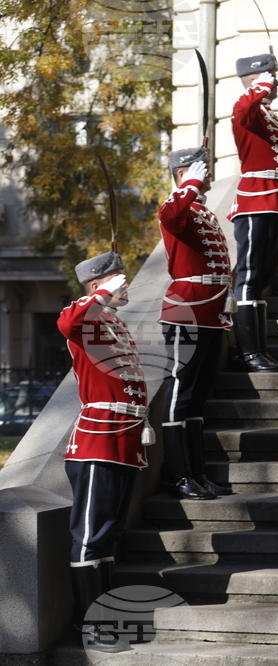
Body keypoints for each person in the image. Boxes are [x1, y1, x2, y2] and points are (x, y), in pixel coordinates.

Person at [58, 252, 151, 652]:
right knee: (90, 535)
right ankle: (89, 626)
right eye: (117, 281)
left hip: (125, 437)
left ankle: (105, 618)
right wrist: (100, 294)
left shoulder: (113, 324)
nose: (125, 285)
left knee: (108, 536)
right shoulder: (85, 319)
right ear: (98, 287)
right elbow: (68, 320)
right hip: (98, 437)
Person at [157, 147, 236, 500]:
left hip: (210, 311)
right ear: (182, 173)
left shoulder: (201, 211)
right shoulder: (178, 206)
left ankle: (196, 473)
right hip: (186, 310)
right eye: (197, 171)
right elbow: (170, 216)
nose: (205, 176)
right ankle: (178, 477)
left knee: (197, 398)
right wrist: (187, 186)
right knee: (180, 392)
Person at [230, 53, 278, 372]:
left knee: (262, 277)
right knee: (249, 275)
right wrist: (257, 88)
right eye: (272, 75)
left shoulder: (267, 114)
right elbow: (242, 111)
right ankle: (248, 352)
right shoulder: (249, 109)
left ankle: (260, 349)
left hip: (275, 202)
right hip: (256, 200)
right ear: (257, 79)